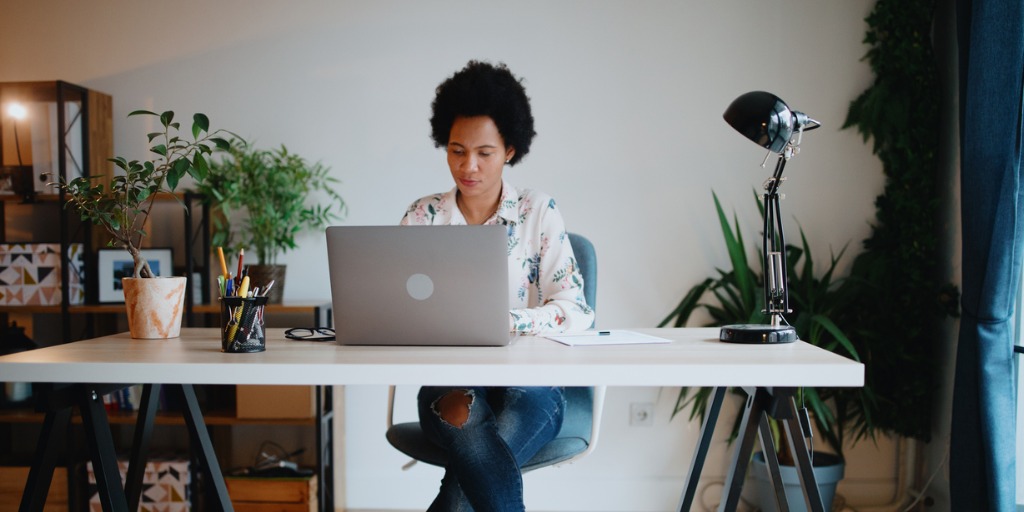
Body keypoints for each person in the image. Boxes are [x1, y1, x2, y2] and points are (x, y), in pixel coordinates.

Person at [400, 60, 595, 511]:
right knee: (471, 435)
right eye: (455, 150)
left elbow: (576, 309)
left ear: (510, 149)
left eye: (484, 153)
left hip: (532, 386)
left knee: (468, 481)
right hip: (448, 386)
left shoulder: (538, 211)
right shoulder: (422, 216)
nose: (468, 166)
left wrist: (505, 322)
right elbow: (400, 308)